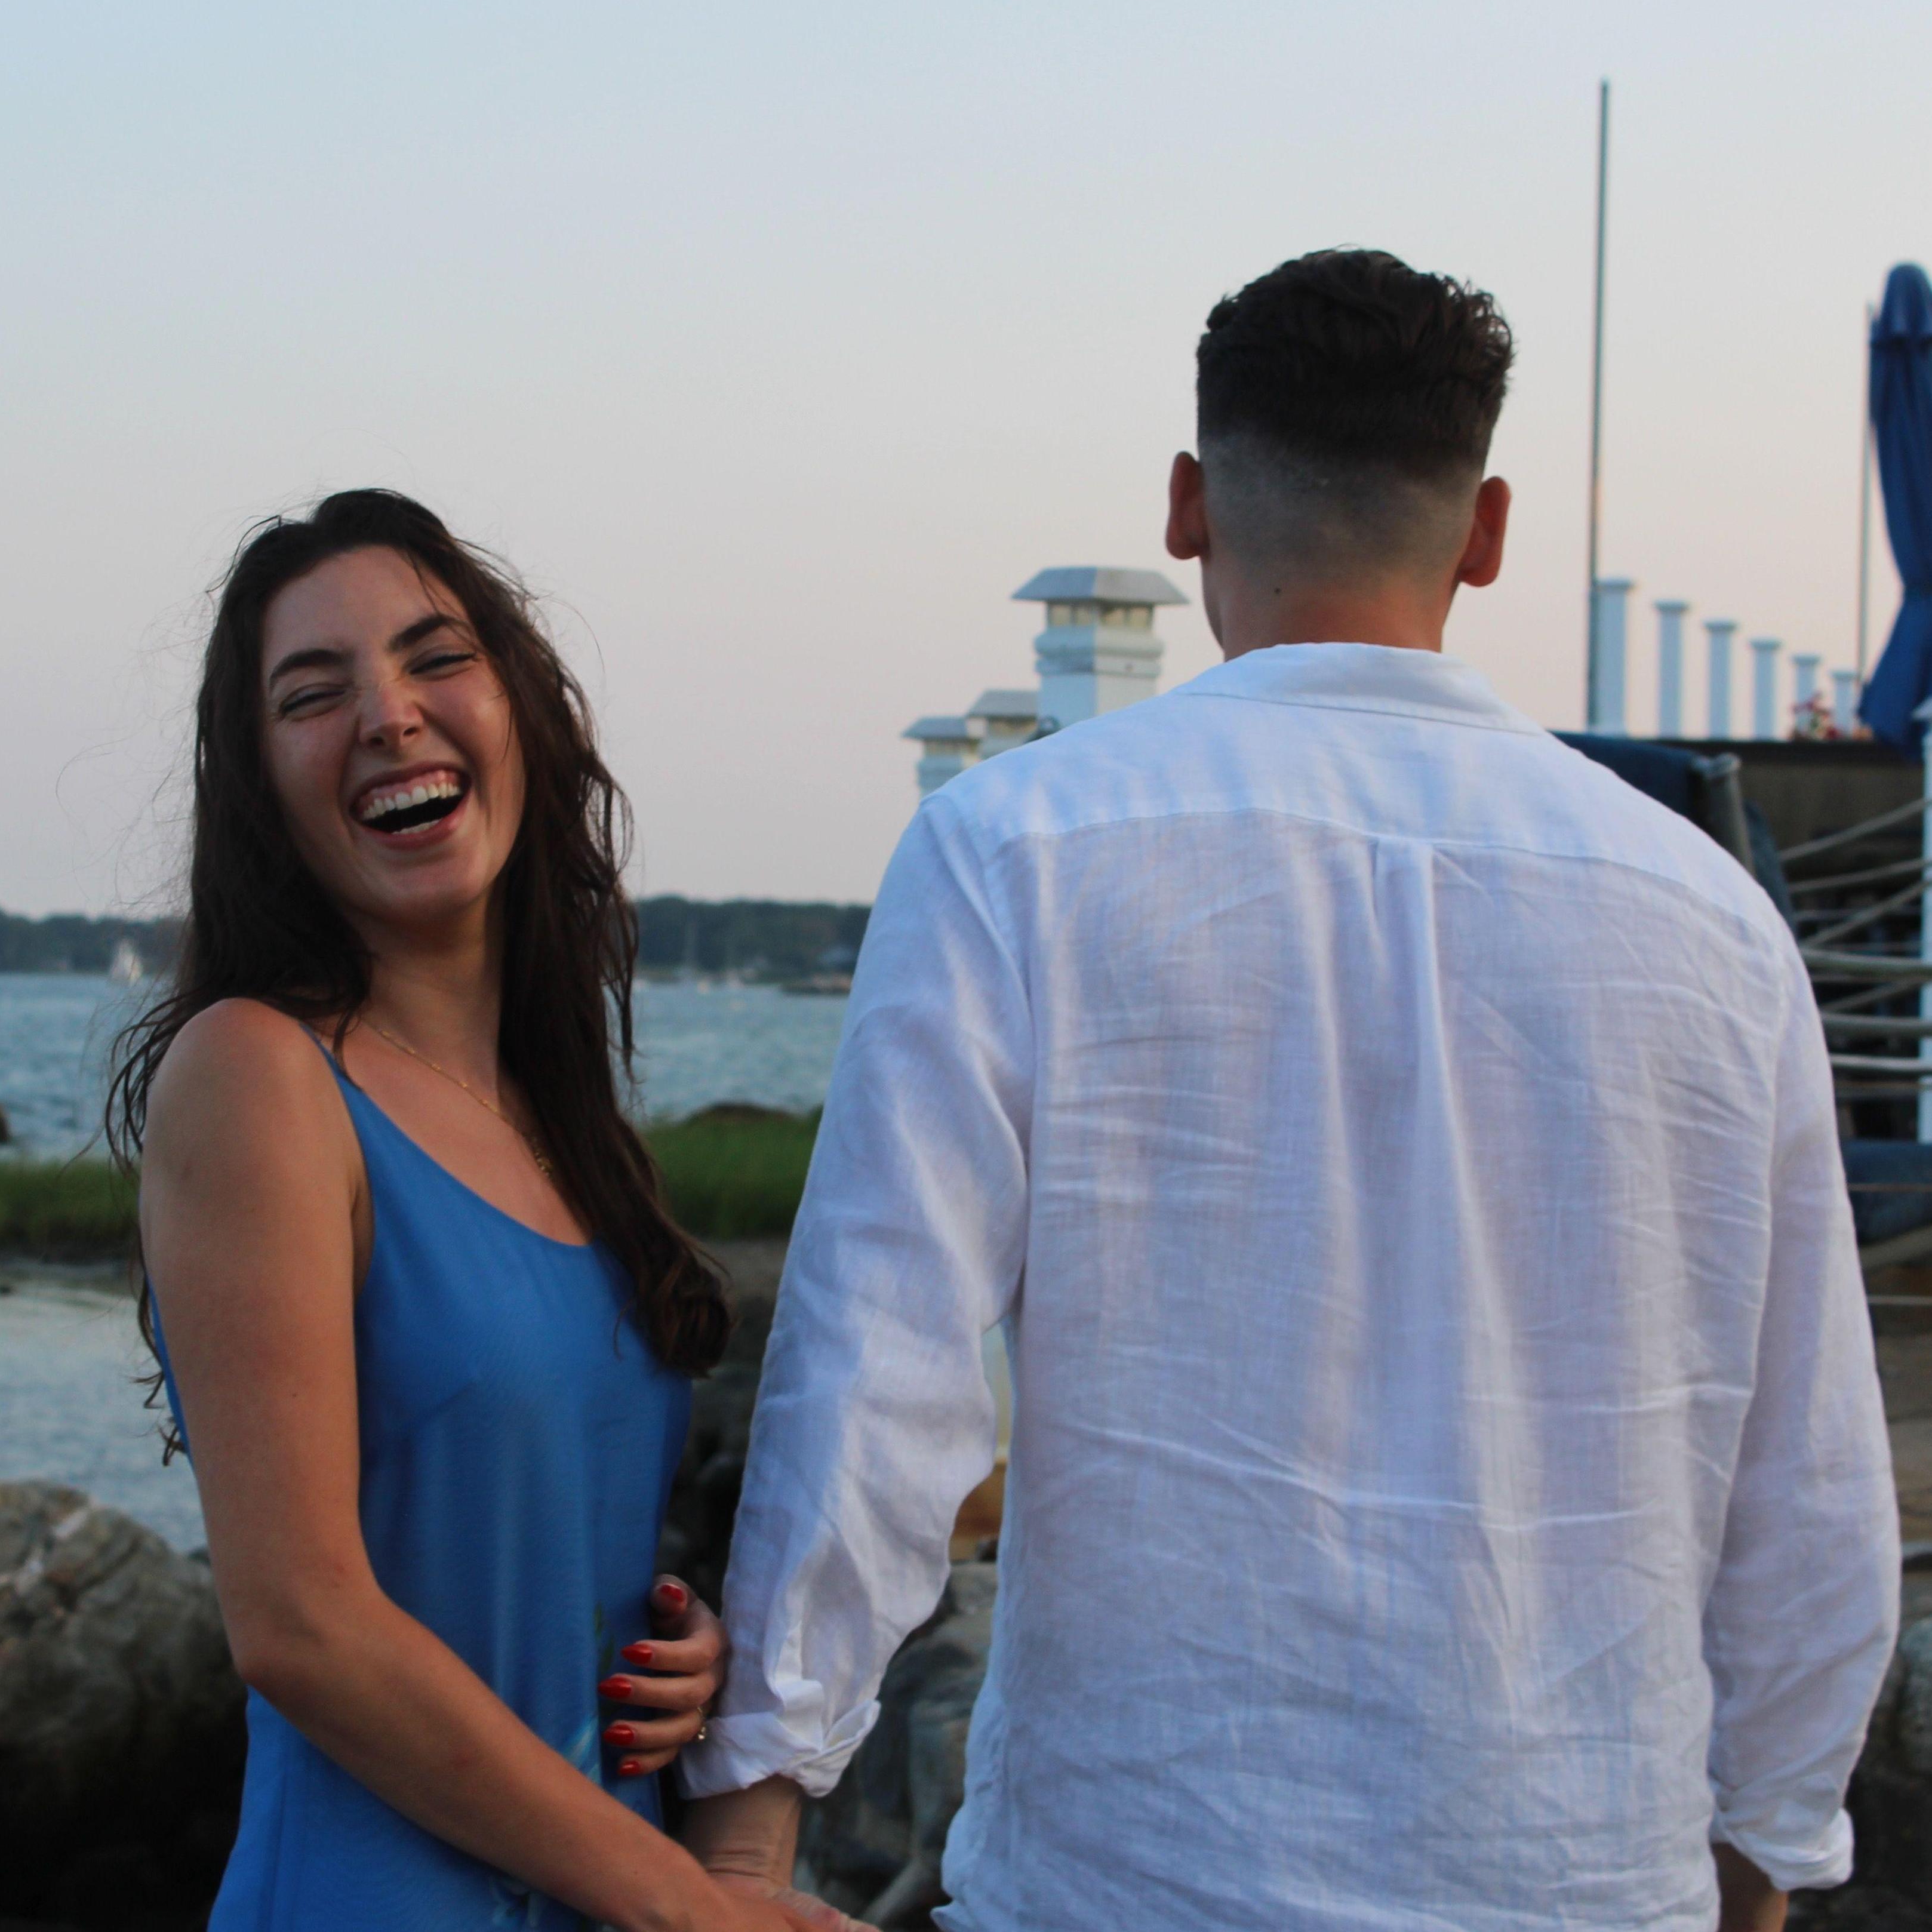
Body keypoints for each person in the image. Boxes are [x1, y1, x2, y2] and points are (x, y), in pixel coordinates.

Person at [681, 252, 1901, 1931]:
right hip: (1583, 1874)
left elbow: (872, 1384)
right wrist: (1757, 1864)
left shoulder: (1014, 850)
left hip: (1135, 1873)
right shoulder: (1710, 917)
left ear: (1187, 506)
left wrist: (748, 1831)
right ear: (1485, 531)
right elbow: (1808, 1475)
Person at [116, 491, 850, 1932]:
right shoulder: (257, 1074)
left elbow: (527, 1534)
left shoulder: (559, 1119)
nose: (389, 716)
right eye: (312, 694)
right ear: (263, 788)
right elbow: (303, 1624)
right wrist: (697, 1906)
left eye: (435, 656)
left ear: (519, 707)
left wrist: (672, 1645)